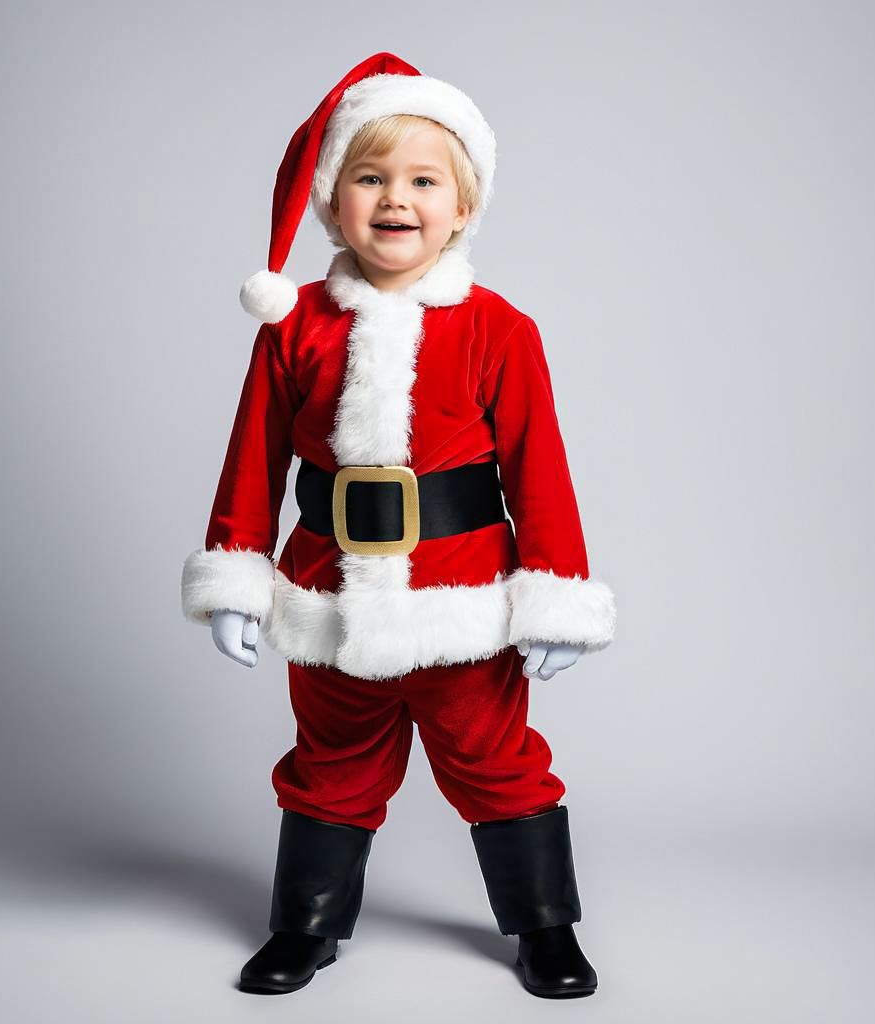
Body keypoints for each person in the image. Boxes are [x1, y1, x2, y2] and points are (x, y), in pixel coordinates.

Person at [181, 52, 617, 999]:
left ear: (462, 208)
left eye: (425, 181)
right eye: (369, 179)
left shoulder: (501, 328)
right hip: (326, 588)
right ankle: (305, 926)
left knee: (495, 759)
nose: (396, 200)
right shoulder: (293, 328)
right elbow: (252, 458)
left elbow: (539, 470)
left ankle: (547, 929)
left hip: (461, 588)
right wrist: (237, 575)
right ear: (334, 203)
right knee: (329, 760)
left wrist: (554, 594)